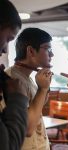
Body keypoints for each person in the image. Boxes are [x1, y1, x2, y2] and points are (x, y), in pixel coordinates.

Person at [5, 27, 53, 150]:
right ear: (31, 51)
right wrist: (42, 89)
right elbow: (27, 128)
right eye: (47, 49)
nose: (52, 54)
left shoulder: (29, 78)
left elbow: (37, 106)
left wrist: (45, 87)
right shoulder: (11, 80)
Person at [0, 0, 29, 150]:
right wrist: (18, 100)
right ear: (30, 51)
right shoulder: (13, 77)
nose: (5, 50)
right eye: (8, 39)